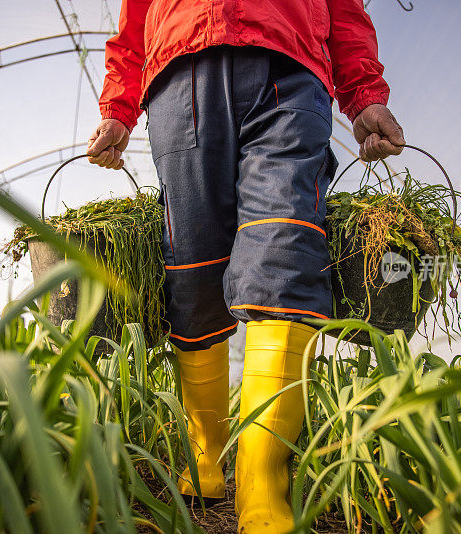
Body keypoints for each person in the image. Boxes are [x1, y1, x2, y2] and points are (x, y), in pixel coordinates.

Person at [87, 1, 404, 531]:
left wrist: (365, 95)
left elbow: (344, 11)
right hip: (180, 69)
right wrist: (118, 108)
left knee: (286, 250)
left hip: (291, 68)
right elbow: (133, 22)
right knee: (193, 266)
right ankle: (204, 458)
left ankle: (261, 485)